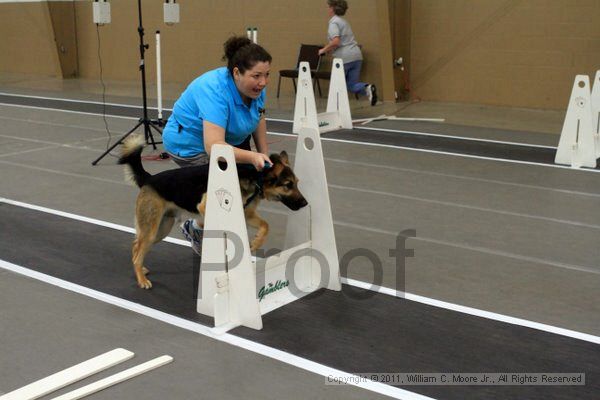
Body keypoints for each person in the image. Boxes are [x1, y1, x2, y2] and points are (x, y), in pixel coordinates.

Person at [161, 36, 273, 254]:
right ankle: (195, 227)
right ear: (236, 73)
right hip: (190, 145)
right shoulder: (214, 91)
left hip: (229, 139)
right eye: (257, 76)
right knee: (224, 195)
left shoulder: (256, 88)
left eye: (267, 75)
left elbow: (259, 117)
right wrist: (251, 158)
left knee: (240, 190)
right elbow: (214, 147)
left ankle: (208, 229)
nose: (263, 82)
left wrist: (264, 154)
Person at [318, 0, 378, 106]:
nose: (328, 9)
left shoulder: (333, 22)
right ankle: (367, 87)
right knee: (351, 84)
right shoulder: (344, 22)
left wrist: (323, 50)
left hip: (344, 58)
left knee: (336, 85)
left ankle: (336, 108)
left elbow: (336, 41)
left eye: (328, 7)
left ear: (332, 8)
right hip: (356, 56)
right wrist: (330, 50)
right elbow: (343, 41)